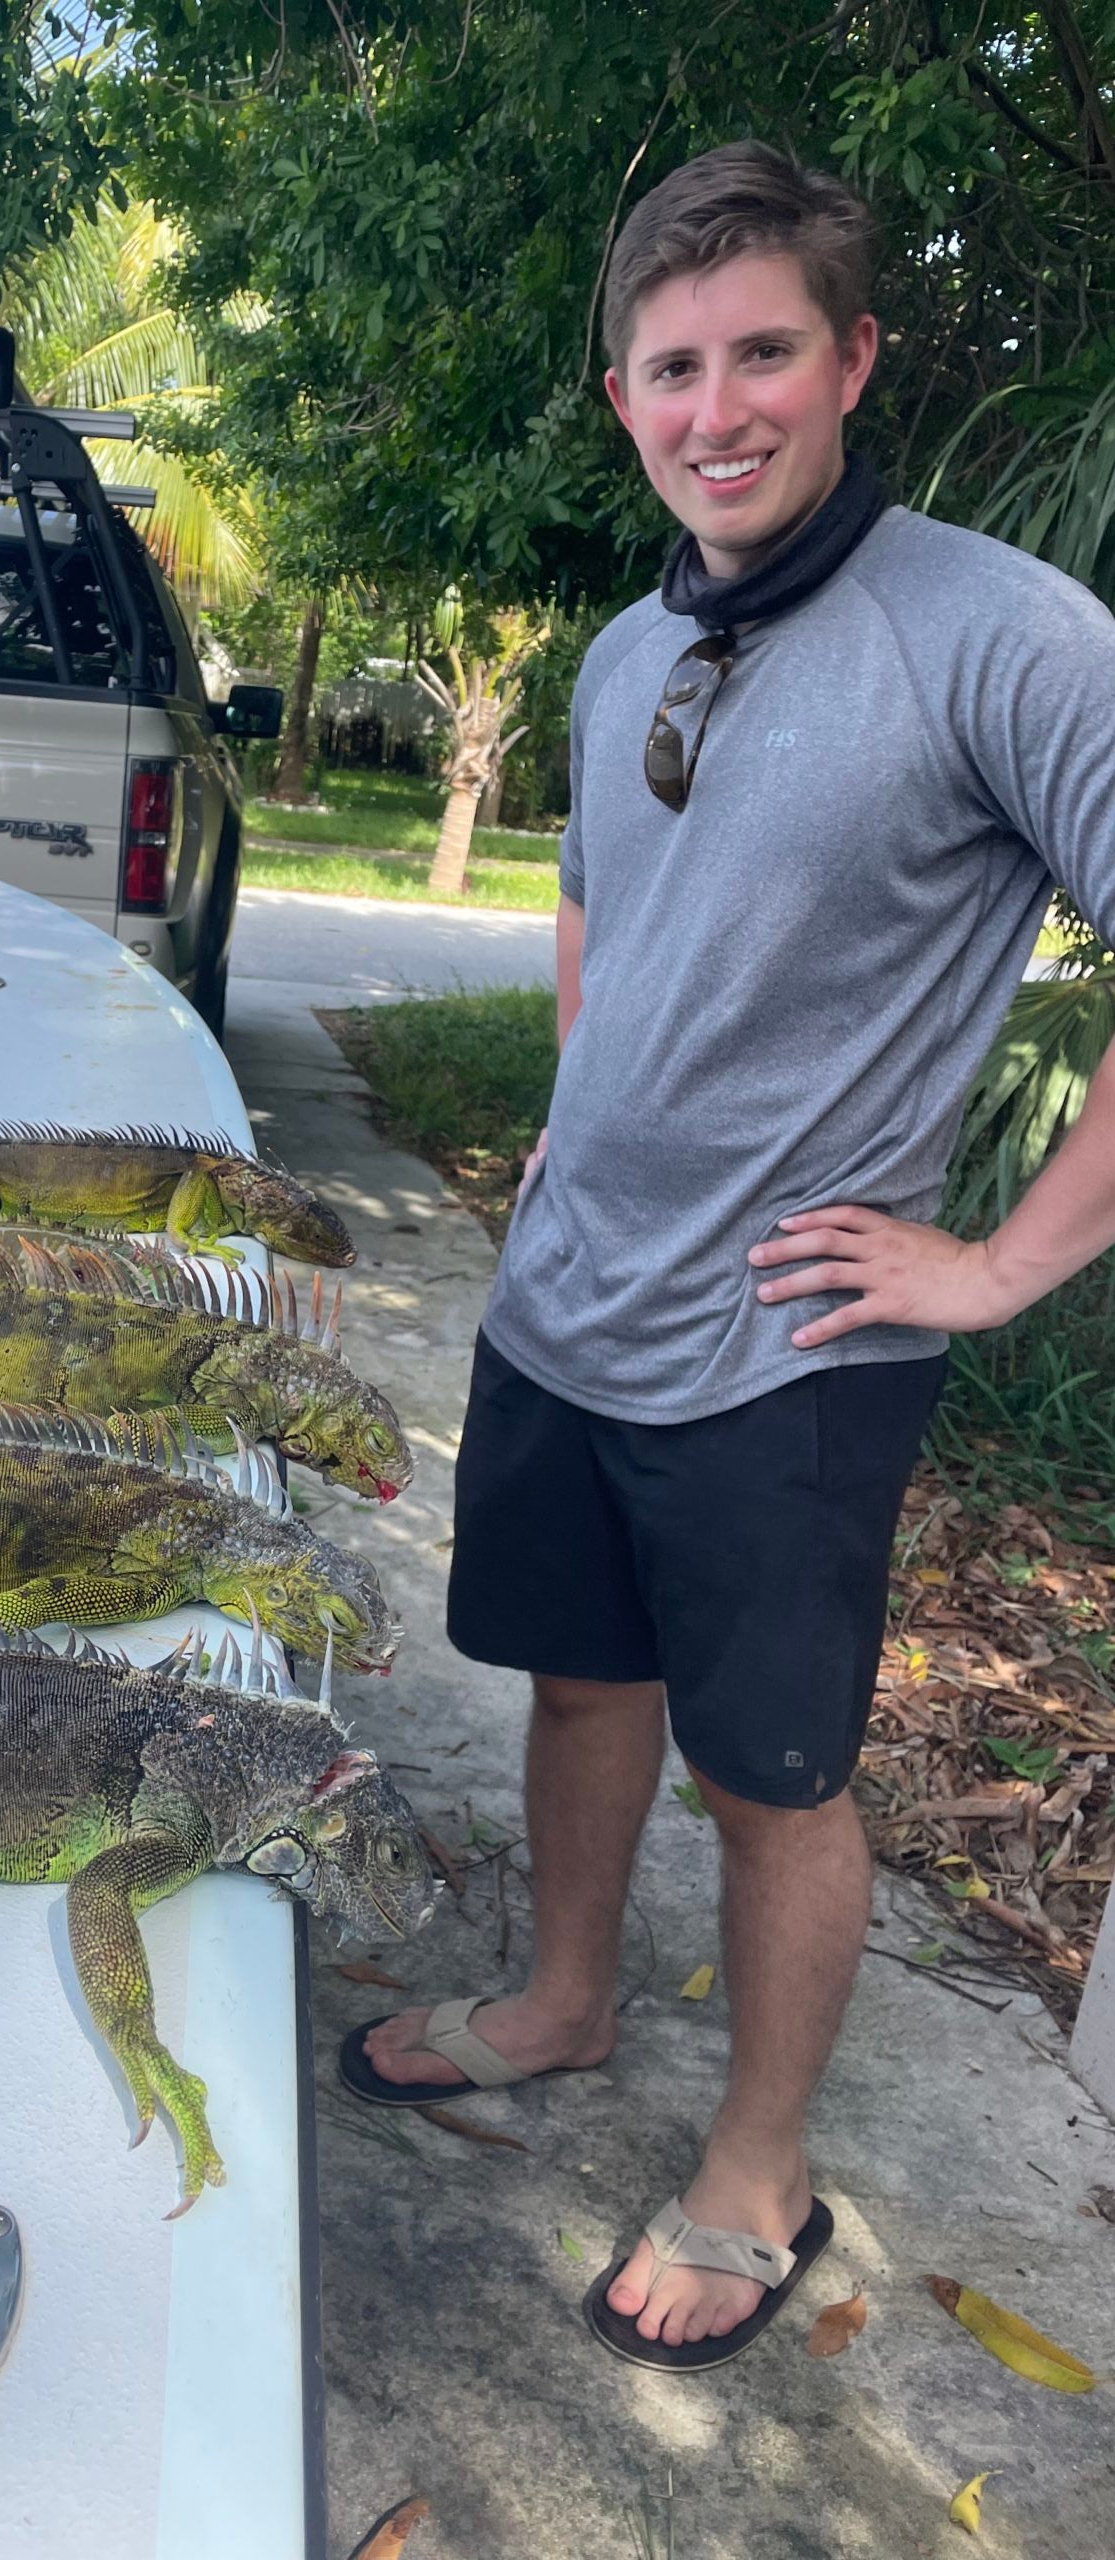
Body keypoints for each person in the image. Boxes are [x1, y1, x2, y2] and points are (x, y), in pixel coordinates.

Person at [336, 140, 1115, 2371]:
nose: (719, 409)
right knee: (580, 1682)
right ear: (624, 399)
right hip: (570, 1299)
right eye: (673, 370)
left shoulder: (1004, 637)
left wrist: (1000, 1266)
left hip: (788, 1343)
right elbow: (599, 902)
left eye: (764, 352)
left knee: (773, 1775)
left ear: (854, 358)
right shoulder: (624, 648)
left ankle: (761, 2166)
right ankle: (565, 1999)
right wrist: (578, 1118)